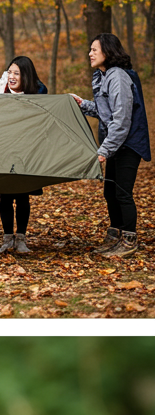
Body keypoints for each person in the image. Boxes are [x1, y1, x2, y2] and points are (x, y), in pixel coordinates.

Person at [73, 33, 151, 258]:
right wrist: (82, 104)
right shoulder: (103, 75)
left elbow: (122, 119)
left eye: (94, 50)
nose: (90, 53)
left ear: (107, 52)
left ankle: (129, 240)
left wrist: (104, 150)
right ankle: (116, 235)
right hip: (118, 143)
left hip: (128, 143)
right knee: (110, 192)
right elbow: (105, 111)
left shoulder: (117, 76)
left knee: (122, 193)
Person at [0, 56, 48, 254]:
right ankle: (7, 238)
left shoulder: (38, 91)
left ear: (26, 76)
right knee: (5, 195)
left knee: (22, 194)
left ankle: (21, 238)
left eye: (17, 73)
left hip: (26, 149)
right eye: (10, 72)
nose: (12, 77)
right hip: (3, 148)